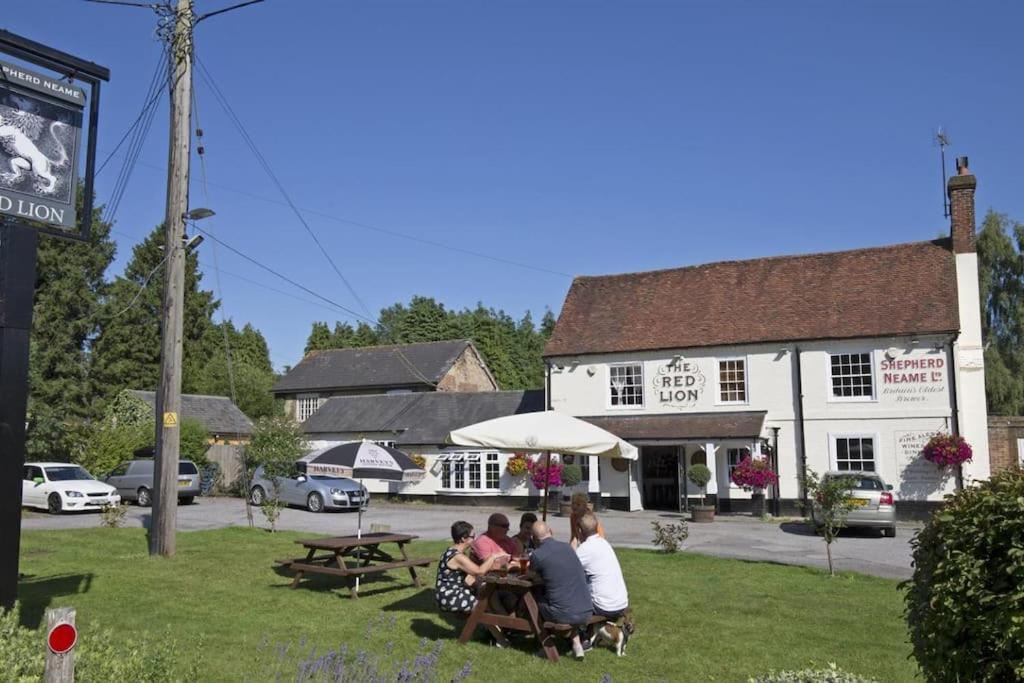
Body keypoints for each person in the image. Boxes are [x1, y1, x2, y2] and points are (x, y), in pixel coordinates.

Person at [435, 520, 511, 646]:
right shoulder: (457, 556)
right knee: (481, 607)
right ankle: (502, 639)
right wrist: (493, 556)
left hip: (454, 591)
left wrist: (481, 585)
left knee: (487, 595)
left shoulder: (454, 552)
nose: (475, 539)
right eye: (473, 536)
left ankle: (504, 629)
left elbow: (464, 578)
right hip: (449, 596)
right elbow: (480, 571)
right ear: (464, 538)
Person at [529, 521, 594, 659]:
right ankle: (577, 644)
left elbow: (532, 578)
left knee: (532, 599)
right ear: (551, 531)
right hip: (586, 609)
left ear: (533, 538)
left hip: (563, 614)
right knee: (564, 600)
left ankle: (546, 646)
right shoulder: (567, 548)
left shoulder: (537, 555)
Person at [575, 512, 629, 622]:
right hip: (621, 602)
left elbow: (567, 569)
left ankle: (581, 634)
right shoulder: (605, 543)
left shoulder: (585, 549)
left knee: (571, 599)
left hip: (603, 606)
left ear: (580, 531)